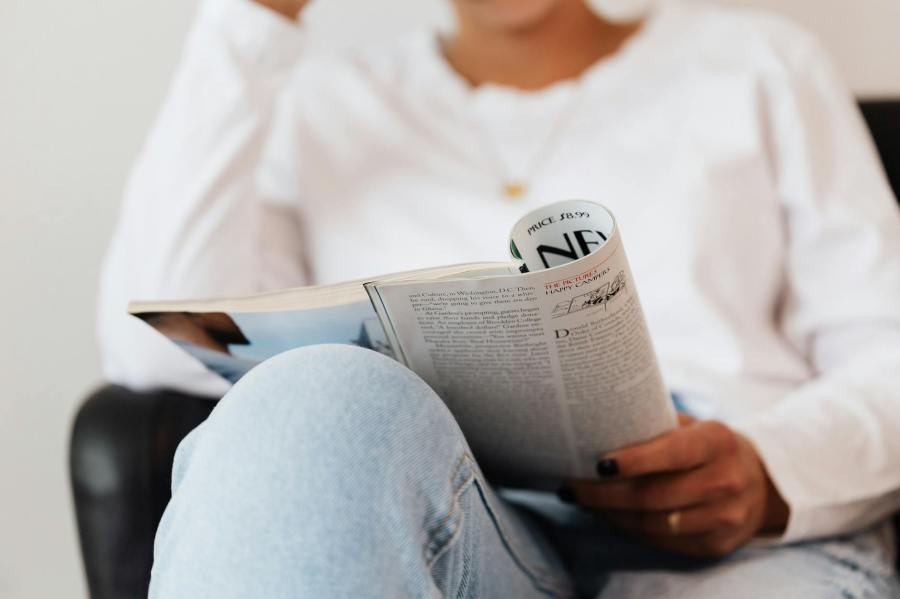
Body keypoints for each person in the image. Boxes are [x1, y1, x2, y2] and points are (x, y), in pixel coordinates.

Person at [97, 0, 900, 595]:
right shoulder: (320, 104)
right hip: (465, 532)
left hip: (742, 549)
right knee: (309, 401)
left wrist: (767, 474)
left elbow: (887, 350)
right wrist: (252, 21)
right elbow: (152, 345)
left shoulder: (759, 62)